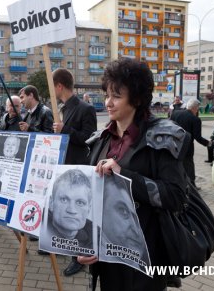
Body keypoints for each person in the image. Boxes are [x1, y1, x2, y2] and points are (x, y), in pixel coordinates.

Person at [78, 58, 188, 290]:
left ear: (136, 98)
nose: (108, 102)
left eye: (116, 96)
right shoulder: (101, 140)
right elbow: (89, 198)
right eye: (107, 94)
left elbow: (175, 196)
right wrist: (83, 245)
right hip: (107, 257)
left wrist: (123, 175)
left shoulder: (162, 137)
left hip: (146, 258)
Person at [52, 68, 97, 276]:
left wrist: (65, 130)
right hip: (64, 164)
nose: (52, 91)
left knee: (74, 215)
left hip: (78, 167)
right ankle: (62, 246)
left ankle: (78, 259)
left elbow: (88, 139)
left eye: (53, 87)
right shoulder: (63, 108)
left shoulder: (84, 108)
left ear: (59, 86)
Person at [43, 169, 93, 249]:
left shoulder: (97, 237)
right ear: (51, 203)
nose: (72, 210)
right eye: (64, 200)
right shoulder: (39, 225)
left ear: (89, 209)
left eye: (80, 202)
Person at [171, 98, 210, 188]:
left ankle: (177, 183)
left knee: (176, 163)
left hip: (174, 144)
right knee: (188, 166)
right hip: (187, 146)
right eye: (198, 108)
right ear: (195, 108)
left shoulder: (175, 113)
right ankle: (191, 186)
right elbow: (198, 137)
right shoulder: (195, 119)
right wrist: (208, 143)